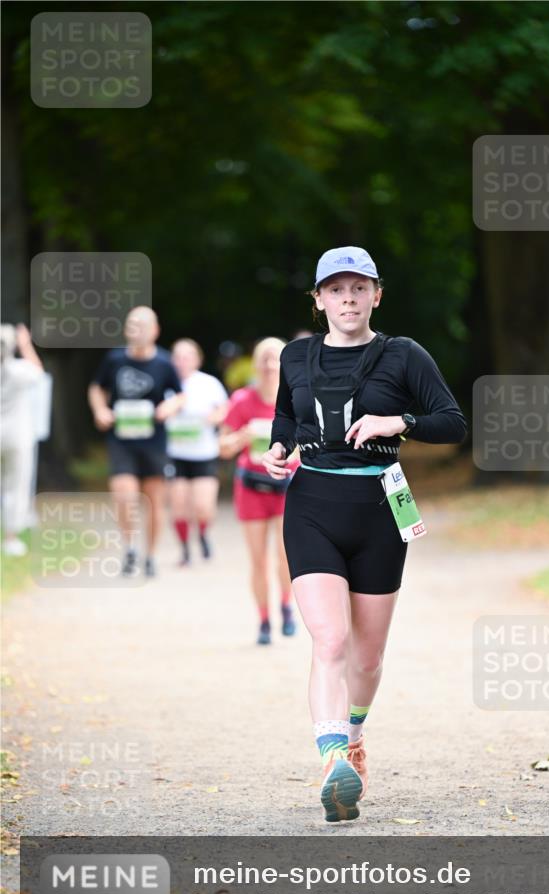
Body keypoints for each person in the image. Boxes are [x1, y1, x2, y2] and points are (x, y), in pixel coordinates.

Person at [262, 246, 467, 822]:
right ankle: (333, 762)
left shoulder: (404, 355)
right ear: (319, 299)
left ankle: (353, 735)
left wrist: (396, 420)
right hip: (312, 506)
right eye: (336, 289)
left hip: (380, 508)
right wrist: (280, 448)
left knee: (368, 658)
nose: (347, 298)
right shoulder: (296, 355)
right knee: (330, 641)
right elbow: (285, 415)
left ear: (376, 294)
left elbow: (453, 423)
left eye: (359, 288)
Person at [87, 306, 184, 577]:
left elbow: (179, 394)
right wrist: (100, 410)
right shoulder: (114, 359)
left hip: (153, 442)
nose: (136, 330)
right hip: (122, 440)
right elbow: (96, 387)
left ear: (154, 330)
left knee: (153, 501)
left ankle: (150, 555)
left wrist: (169, 407)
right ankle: (130, 547)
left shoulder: (164, 363)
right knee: (124, 495)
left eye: (141, 325)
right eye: (131, 325)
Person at [219, 337, 300, 645]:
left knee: (284, 556)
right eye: (264, 359)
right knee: (258, 561)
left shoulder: (295, 401)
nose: (269, 365)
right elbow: (222, 447)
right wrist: (244, 436)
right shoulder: (242, 401)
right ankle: (264, 620)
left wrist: (290, 453)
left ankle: (286, 606)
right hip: (251, 488)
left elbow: (308, 448)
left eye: (275, 359)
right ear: (256, 364)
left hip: (285, 488)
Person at [166, 339, 228, 566]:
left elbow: (225, 409)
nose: (182, 361)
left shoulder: (209, 383)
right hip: (175, 454)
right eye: (178, 356)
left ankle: (202, 533)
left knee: (203, 507)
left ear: (197, 359)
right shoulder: (166, 382)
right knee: (179, 506)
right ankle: (184, 550)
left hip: (204, 453)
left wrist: (214, 418)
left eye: (187, 356)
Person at [0, 324, 44, 556]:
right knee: (16, 485)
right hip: (17, 435)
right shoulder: (19, 370)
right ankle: (11, 537)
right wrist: (26, 345)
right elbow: (38, 371)